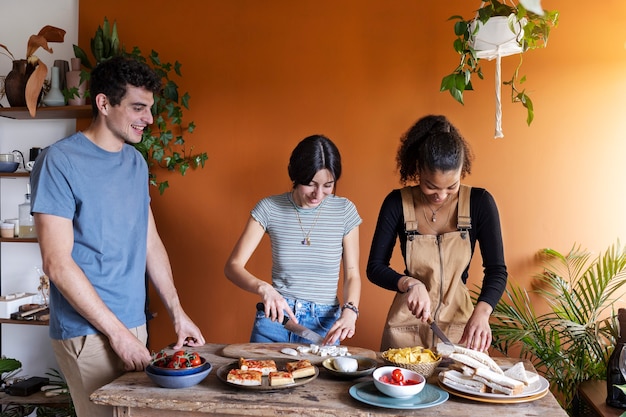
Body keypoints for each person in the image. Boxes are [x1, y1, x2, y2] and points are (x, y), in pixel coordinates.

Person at [30, 56, 206, 417]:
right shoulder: (59, 161)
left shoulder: (135, 162)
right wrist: (117, 334)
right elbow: (56, 263)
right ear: (104, 103)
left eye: (150, 108)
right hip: (88, 331)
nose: (149, 119)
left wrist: (177, 312)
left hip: (133, 323)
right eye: (138, 108)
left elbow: (149, 241)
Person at [367, 115, 507, 352]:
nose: (441, 195)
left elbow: (497, 270)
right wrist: (409, 283)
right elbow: (375, 267)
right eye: (430, 186)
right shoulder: (396, 203)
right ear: (418, 169)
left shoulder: (480, 203)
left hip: (460, 330)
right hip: (405, 330)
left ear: (462, 171)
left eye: (451, 187)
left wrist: (482, 313)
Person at [224, 135, 362, 346]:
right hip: (276, 319)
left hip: (324, 325)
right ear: (296, 175)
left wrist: (350, 311)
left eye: (328, 185)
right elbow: (232, 267)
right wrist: (265, 289)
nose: (318, 194)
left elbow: (352, 273)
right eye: (311, 184)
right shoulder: (269, 208)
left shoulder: (344, 211)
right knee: (256, 377)